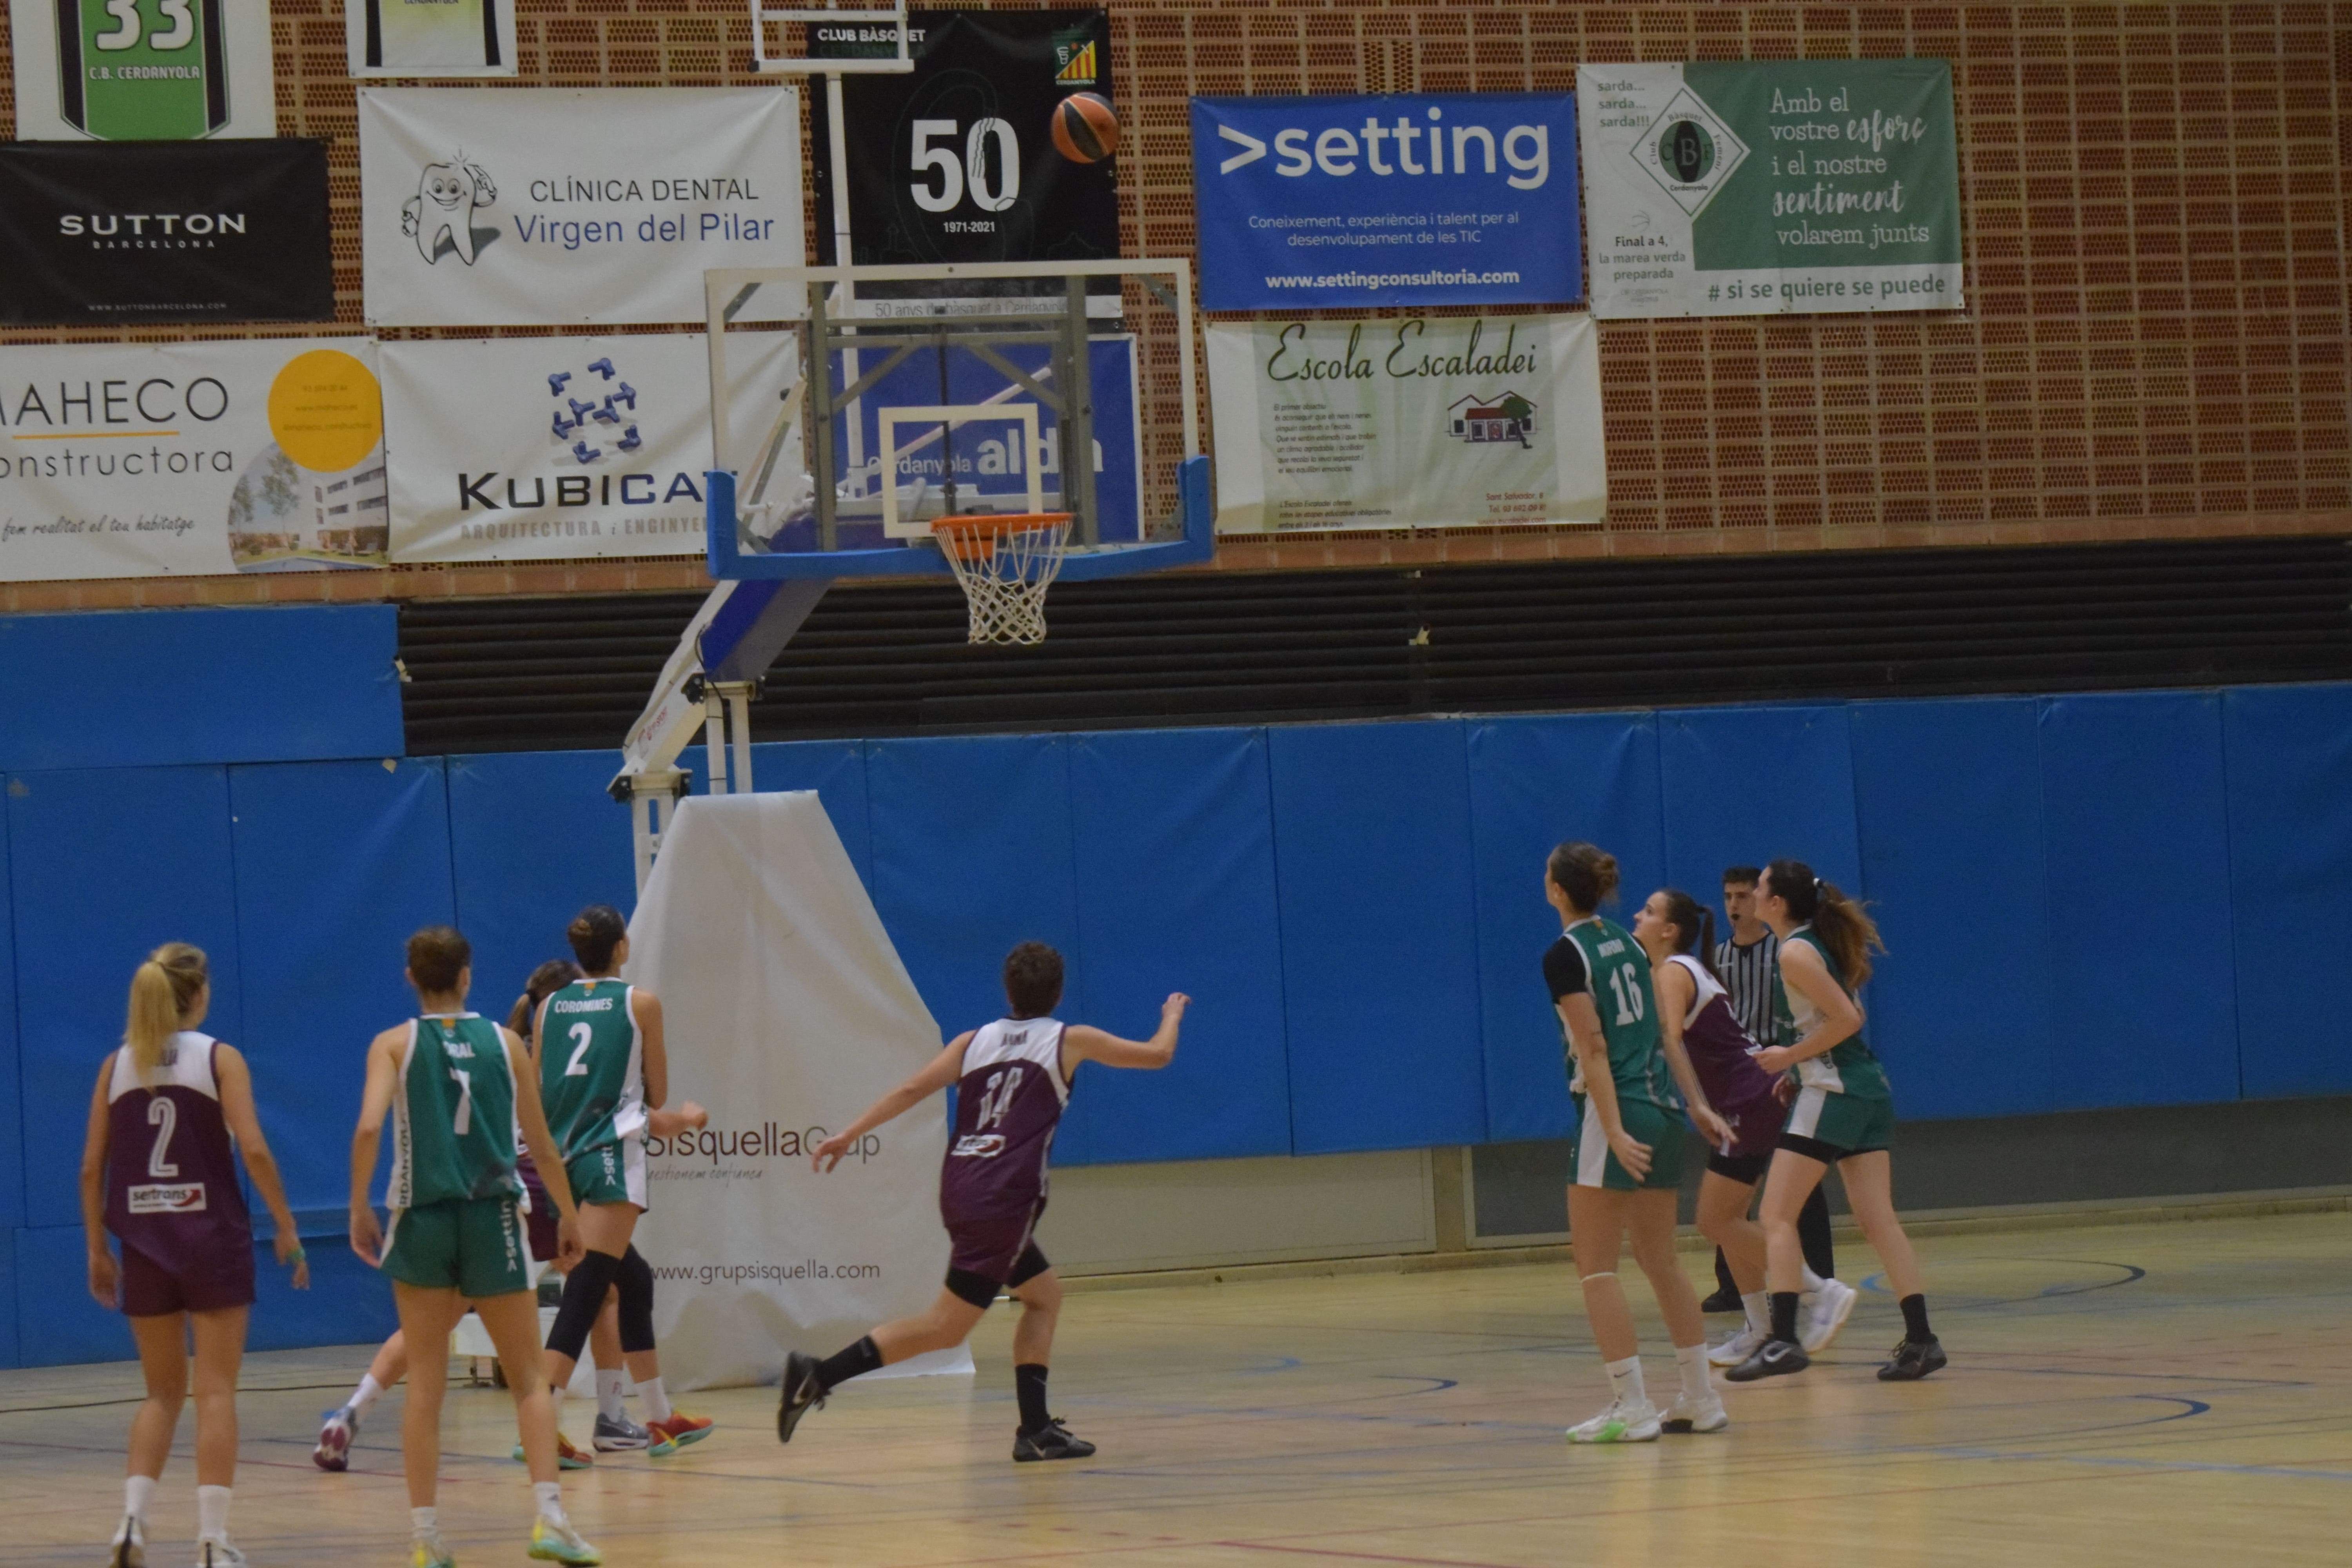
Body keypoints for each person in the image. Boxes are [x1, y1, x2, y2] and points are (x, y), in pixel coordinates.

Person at [777, 943, 1186, 1462]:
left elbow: (911, 1089)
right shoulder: (1069, 1039)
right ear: (1059, 993)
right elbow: (1158, 1055)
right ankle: (817, 1374)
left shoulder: (973, 1042)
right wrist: (1171, 1015)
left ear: (1008, 992)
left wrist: (848, 1134)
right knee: (945, 1328)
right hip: (1003, 1198)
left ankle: (1035, 1429)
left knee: (1044, 1295)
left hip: (960, 1187)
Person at [317, 960, 640, 1473]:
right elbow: (557, 1134)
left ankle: (351, 1412)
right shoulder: (533, 1051)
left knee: (440, 1322)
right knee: (597, 1292)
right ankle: (595, 1422)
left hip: (470, 1190)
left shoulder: (499, 1040)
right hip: (524, 1189)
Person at [348, 927, 601, 1567]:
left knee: (426, 1386)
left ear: (411, 976)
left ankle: (426, 1538)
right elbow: (542, 1144)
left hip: (424, 1220)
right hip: (493, 1218)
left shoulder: (392, 1044)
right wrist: (567, 1214)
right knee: (529, 1381)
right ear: (467, 975)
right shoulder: (506, 1043)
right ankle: (550, 1518)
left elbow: (370, 1127)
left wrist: (357, 1207)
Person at [82, 943, 309, 1568]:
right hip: (213, 1240)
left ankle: (132, 1522)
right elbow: (254, 1149)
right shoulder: (218, 1058)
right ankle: (212, 1540)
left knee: (160, 1395)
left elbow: (91, 1167)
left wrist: (97, 1248)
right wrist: (286, 1224)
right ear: (200, 994)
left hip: (144, 1244)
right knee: (215, 1394)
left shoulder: (116, 1066)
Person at [1724, 861, 1946, 1383]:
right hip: (1865, 1090)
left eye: (1759, 888)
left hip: (1834, 1091)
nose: (1751, 895)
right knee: (1878, 1220)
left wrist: (1789, 1058)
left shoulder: (1795, 952)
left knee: (1775, 1215)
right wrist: (1798, 1069)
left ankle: (1783, 1341)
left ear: (1776, 903)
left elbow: (1848, 1019)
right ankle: (1922, 1339)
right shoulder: (1809, 946)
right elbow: (1837, 1021)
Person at [1543, 845, 1728, 1444]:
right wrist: (1695, 1102)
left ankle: (1632, 1406)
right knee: (1660, 1260)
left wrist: (1614, 1129)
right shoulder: (1629, 942)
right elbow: (1662, 1035)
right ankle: (1700, 1397)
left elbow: (1594, 1047)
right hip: (1663, 1109)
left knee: (1596, 1269)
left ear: (1557, 890)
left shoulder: (1565, 955)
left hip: (1616, 1113)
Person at [1632, 890, 1854, 1370]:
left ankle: (1820, 1289)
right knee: (1726, 1219)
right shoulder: (1678, 970)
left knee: (1715, 1221)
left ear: (1670, 930)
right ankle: (1760, 1327)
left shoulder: (1673, 971)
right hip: (1749, 1097)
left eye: (1648, 911)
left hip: (1748, 1100)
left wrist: (1695, 1105)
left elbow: (1671, 1038)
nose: (1637, 915)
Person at [534, 906, 715, 1459]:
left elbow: (543, 1090)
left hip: (560, 1159)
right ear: (621, 948)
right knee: (587, 1290)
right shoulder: (641, 1004)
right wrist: (685, 1118)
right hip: (609, 1156)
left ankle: (658, 1417)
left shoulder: (549, 1007)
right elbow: (655, 1095)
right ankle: (541, 1421)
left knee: (632, 1281)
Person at [1702, 866, 1842, 1316]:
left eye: (1745, 895)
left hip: (1780, 1069)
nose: (1735, 904)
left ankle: (1819, 1277)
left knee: (1798, 1180)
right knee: (1733, 1186)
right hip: (1738, 1077)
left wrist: (1792, 1059)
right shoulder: (1717, 958)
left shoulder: (1784, 951)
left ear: (1766, 901)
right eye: (1729, 896)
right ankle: (1734, 1286)